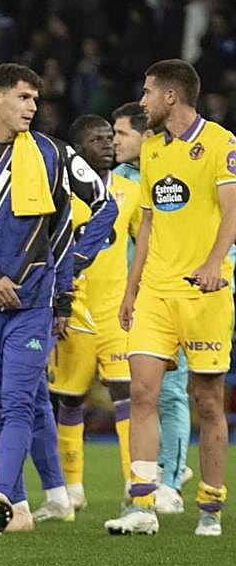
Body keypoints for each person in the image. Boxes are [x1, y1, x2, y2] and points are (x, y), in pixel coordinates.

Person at [0, 63, 116, 533]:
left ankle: (2, 495)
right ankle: (22, 505)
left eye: (36, 99)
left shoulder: (54, 153)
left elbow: (104, 205)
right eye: (23, 97)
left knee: (16, 402)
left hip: (31, 303)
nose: (32, 107)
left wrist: (71, 263)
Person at [107, 60, 236, 537]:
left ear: (170, 97)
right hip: (157, 293)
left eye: (146, 93)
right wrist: (132, 286)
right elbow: (148, 226)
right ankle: (141, 505)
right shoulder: (153, 152)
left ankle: (211, 506)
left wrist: (212, 264)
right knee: (143, 392)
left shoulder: (221, 144)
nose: (141, 102)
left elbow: (232, 213)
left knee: (208, 401)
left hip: (205, 293)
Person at [37, 115, 142, 520]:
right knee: (69, 399)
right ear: (78, 152)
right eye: (98, 139)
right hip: (75, 309)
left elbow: (142, 242)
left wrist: (138, 292)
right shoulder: (63, 195)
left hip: (116, 311)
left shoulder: (130, 192)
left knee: (126, 395)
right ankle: (73, 489)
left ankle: (136, 485)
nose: (109, 144)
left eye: (111, 137)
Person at [112, 101, 193, 513]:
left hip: (179, 294)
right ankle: (155, 473)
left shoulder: (181, 170)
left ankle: (171, 482)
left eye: (122, 133)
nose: (114, 141)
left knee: (171, 393)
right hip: (137, 300)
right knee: (144, 393)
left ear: (147, 136)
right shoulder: (118, 181)